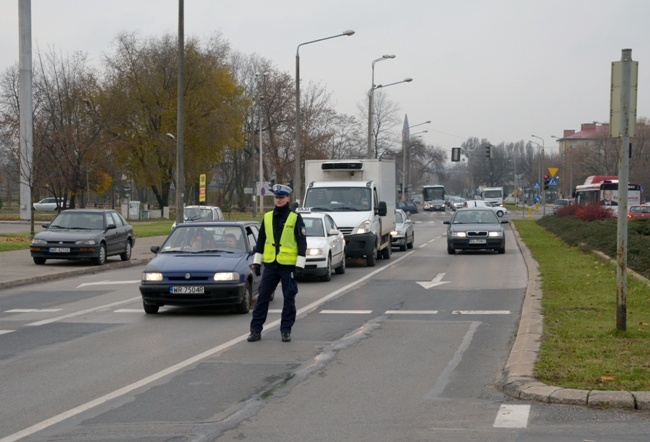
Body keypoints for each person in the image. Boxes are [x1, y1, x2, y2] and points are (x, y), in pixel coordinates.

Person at [248, 184, 307, 343]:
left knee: (289, 298)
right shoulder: (267, 217)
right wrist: (257, 263)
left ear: (288, 198)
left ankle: (286, 330)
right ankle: (255, 330)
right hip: (271, 265)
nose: (278, 200)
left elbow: (302, 243)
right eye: (276, 197)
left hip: (288, 266)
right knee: (263, 297)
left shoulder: (295, 218)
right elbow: (260, 242)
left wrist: (300, 265)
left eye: (281, 197)